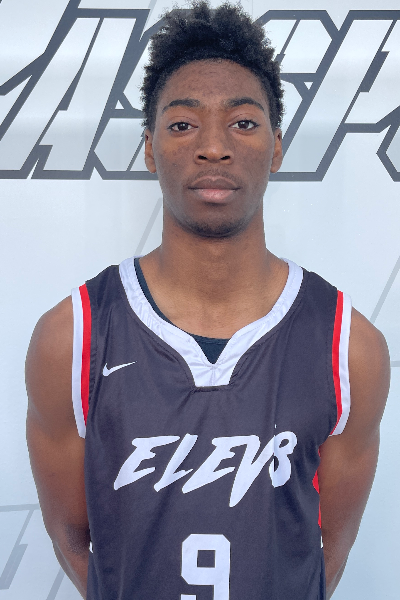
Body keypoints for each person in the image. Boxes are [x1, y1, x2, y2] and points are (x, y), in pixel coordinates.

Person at [25, 2, 390, 599]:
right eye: (183, 124)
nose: (213, 147)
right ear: (149, 148)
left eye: (242, 122)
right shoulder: (72, 338)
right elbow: (72, 536)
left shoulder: (350, 349)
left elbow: (327, 548)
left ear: (276, 147)